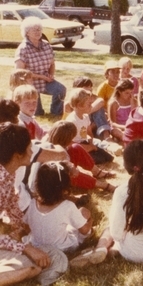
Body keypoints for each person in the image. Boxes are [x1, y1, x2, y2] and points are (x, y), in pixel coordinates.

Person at [69, 140, 143, 267]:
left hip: (134, 252)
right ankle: (112, 250)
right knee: (127, 229)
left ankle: (102, 248)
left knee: (110, 229)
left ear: (126, 166)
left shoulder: (122, 191)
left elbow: (116, 233)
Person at [0, 122, 68, 285]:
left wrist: (26, 226)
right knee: (36, 264)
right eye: (29, 148)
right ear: (17, 155)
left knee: (50, 256)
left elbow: (11, 205)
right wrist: (26, 248)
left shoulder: (6, 174)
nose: (33, 152)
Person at [23, 161, 94, 253]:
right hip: (61, 248)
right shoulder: (68, 206)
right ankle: (90, 232)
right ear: (64, 188)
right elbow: (84, 230)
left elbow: (27, 227)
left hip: (37, 246)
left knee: (65, 223)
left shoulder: (32, 203)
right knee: (84, 212)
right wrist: (91, 222)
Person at [14, 16, 66, 116]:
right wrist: (41, 76)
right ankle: (38, 111)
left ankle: (55, 112)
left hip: (46, 79)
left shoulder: (46, 45)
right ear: (27, 32)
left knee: (60, 89)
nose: (38, 32)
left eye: (39, 29)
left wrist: (51, 74)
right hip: (29, 82)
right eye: (34, 30)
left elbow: (52, 63)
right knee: (37, 113)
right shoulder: (23, 49)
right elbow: (19, 72)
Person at [46, 121, 116, 190]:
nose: (72, 140)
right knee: (71, 174)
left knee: (76, 147)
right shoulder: (51, 151)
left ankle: (97, 172)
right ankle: (103, 185)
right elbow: (68, 172)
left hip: (63, 164)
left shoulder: (56, 141)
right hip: (55, 176)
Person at [65, 88, 116, 165]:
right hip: (75, 148)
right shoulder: (72, 121)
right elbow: (69, 144)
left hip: (84, 143)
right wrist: (90, 147)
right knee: (94, 160)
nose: (91, 106)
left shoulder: (85, 116)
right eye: (89, 104)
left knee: (107, 158)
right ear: (79, 106)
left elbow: (89, 132)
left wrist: (91, 144)